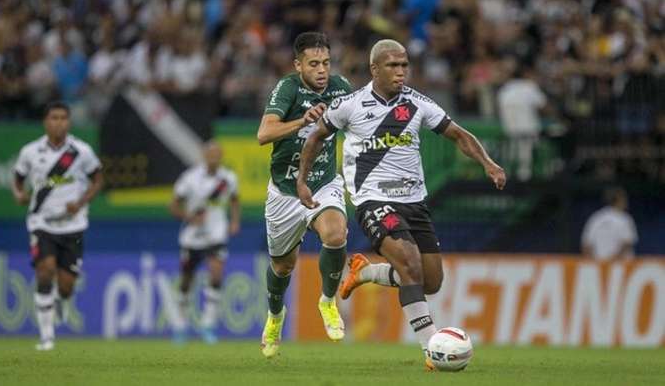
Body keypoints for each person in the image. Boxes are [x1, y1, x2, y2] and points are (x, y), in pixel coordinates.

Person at [297, 39, 506, 370]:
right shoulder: (350, 105)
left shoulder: (418, 103)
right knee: (409, 264)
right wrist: (303, 180)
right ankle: (432, 351)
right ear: (374, 69)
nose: (401, 72)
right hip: (373, 200)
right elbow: (314, 138)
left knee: (432, 280)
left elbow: (458, 134)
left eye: (404, 65)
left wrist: (488, 163)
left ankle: (366, 271)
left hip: (415, 203)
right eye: (393, 66)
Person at [256, 31, 352, 358]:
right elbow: (264, 134)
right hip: (284, 191)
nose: (322, 70)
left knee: (335, 234)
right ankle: (274, 316)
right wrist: (301, 121)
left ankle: (327, 300)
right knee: (283, 268)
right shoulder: (288, 88)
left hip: (323, 183)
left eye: (326, 62)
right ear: (298, 65)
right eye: (313, 64)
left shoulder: (341, 88)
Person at [11, 101, 103, 351]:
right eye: (54, 117)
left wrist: (81, 201)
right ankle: (47, 336)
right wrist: (18, 194)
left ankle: (61, 300)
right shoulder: (30, 152)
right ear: (45, 121)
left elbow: (98, 180)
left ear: (69, 122)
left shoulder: (81, 151)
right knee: (45, 270)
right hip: (41, 222)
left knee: (66, 285)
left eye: (63, 118)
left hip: (73, 226)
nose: (59, 122)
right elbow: (17, 179)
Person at [169, 141, 241, 344]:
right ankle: (180, 325)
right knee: (186, 281)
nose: (214, 158)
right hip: (192, 238)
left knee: (216, 274)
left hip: (216, 235)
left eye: (217, 154)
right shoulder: (189, 179)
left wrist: (235, 221)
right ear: (204, 156)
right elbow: (173, 205)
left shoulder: (228, 178)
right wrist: (190, 217)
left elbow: (235, 200)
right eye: (210, 154)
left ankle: (208, 325)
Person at [581, 187, 638, 260]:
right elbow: (627, 243)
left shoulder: (596, 218)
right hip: (620, 266)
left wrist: (596, 263)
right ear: (620, 200)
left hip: (600, 266)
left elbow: (586, 245)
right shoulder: (624, 219)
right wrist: (612, 261)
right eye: (624, 199)